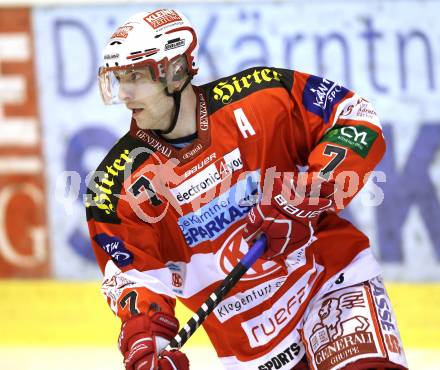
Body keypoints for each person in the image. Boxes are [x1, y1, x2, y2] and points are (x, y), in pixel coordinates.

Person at [86, 8, 408, 370]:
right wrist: (148, 341)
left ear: (175, 71)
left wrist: (311, 190)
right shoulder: (113, 187)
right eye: (117, 79)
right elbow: (135, 278)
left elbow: (354, 114)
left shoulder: (260, 97)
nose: (125, 93)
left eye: (136, 77)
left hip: (329, 279)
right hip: (251, 344)